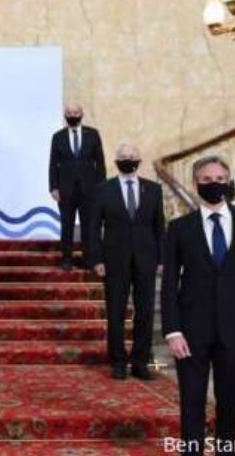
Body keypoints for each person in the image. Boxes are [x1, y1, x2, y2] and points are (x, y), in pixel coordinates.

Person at [161, 156, 235, 455]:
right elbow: (169, 283)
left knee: (230, 403)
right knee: (192, 402)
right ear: (196, 183)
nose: (215, 184)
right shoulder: (179, 228)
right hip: (190, 331)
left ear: (229, 181)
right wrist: (172, 331)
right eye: (207, 180)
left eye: (220, 179)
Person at [88, 144, 164, 380]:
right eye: (123, 156)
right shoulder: (103, 189)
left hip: (146, 259)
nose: (128, 159)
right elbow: (93, 227)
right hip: (114, 260)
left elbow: (159, 226)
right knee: (116, 312)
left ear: (139, 160)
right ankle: (118, 362)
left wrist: (161, 258)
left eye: (132, 156)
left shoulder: (153, 189)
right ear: (116, 160)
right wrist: (96, 259)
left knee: (145, 313)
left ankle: (140, 362)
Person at [48, 104, 106, 270]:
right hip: (65, 189)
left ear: (82, 114)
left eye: (75, 112)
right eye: (69, 113)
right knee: (66, 224)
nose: (72, 115)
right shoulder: (58, 137)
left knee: (89, 224)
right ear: (65, 115)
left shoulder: (93, 134)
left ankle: (89, 258)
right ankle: (67, 258)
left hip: (90, 188)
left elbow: (100, 162)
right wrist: (53, 187)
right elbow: (53, 164)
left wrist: (102, 187)